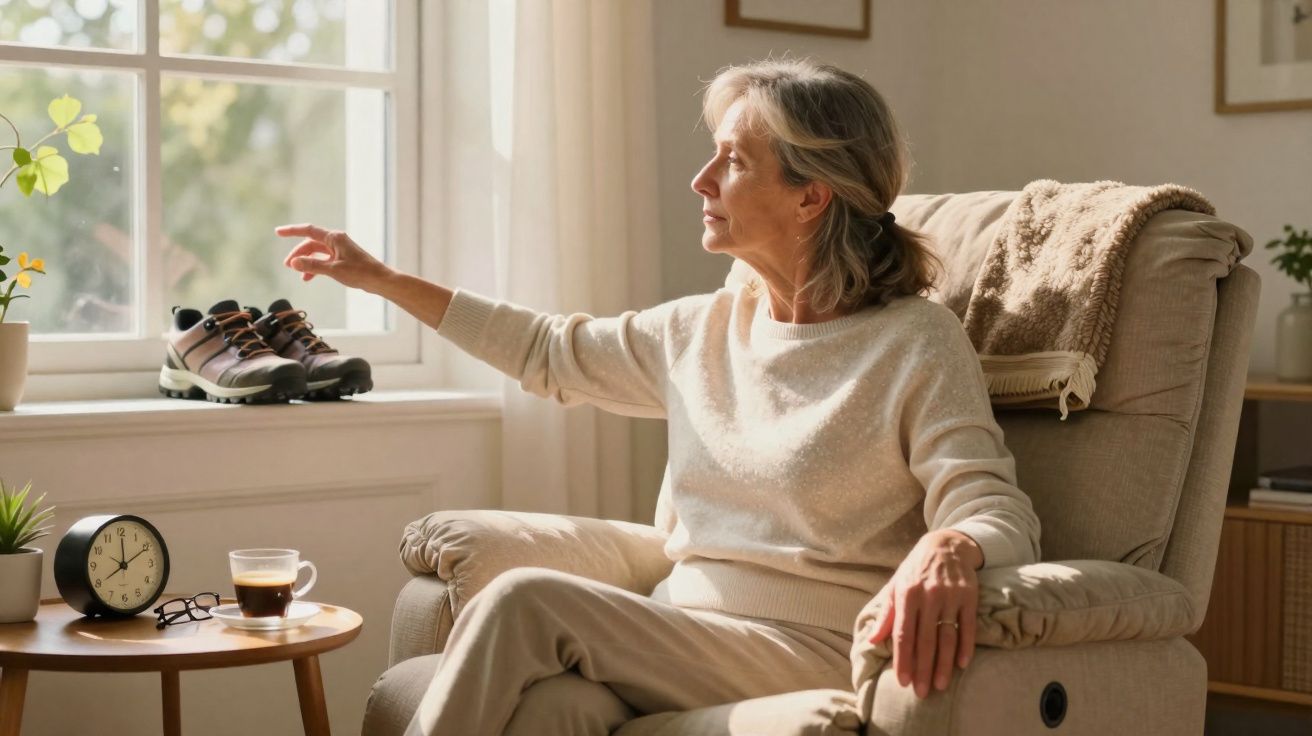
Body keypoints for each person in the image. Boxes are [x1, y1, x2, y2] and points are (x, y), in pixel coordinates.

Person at [276, 57, 1041, 736]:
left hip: (814, 648)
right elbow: (548, 352)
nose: (701, 181)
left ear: (811, 197)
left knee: (526, 603)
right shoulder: (704, 329)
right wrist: (380, 280)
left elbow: (994, 506)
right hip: (678, 632)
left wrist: (952, 544)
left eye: (733, 161)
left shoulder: (914, 340)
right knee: (553, 711)